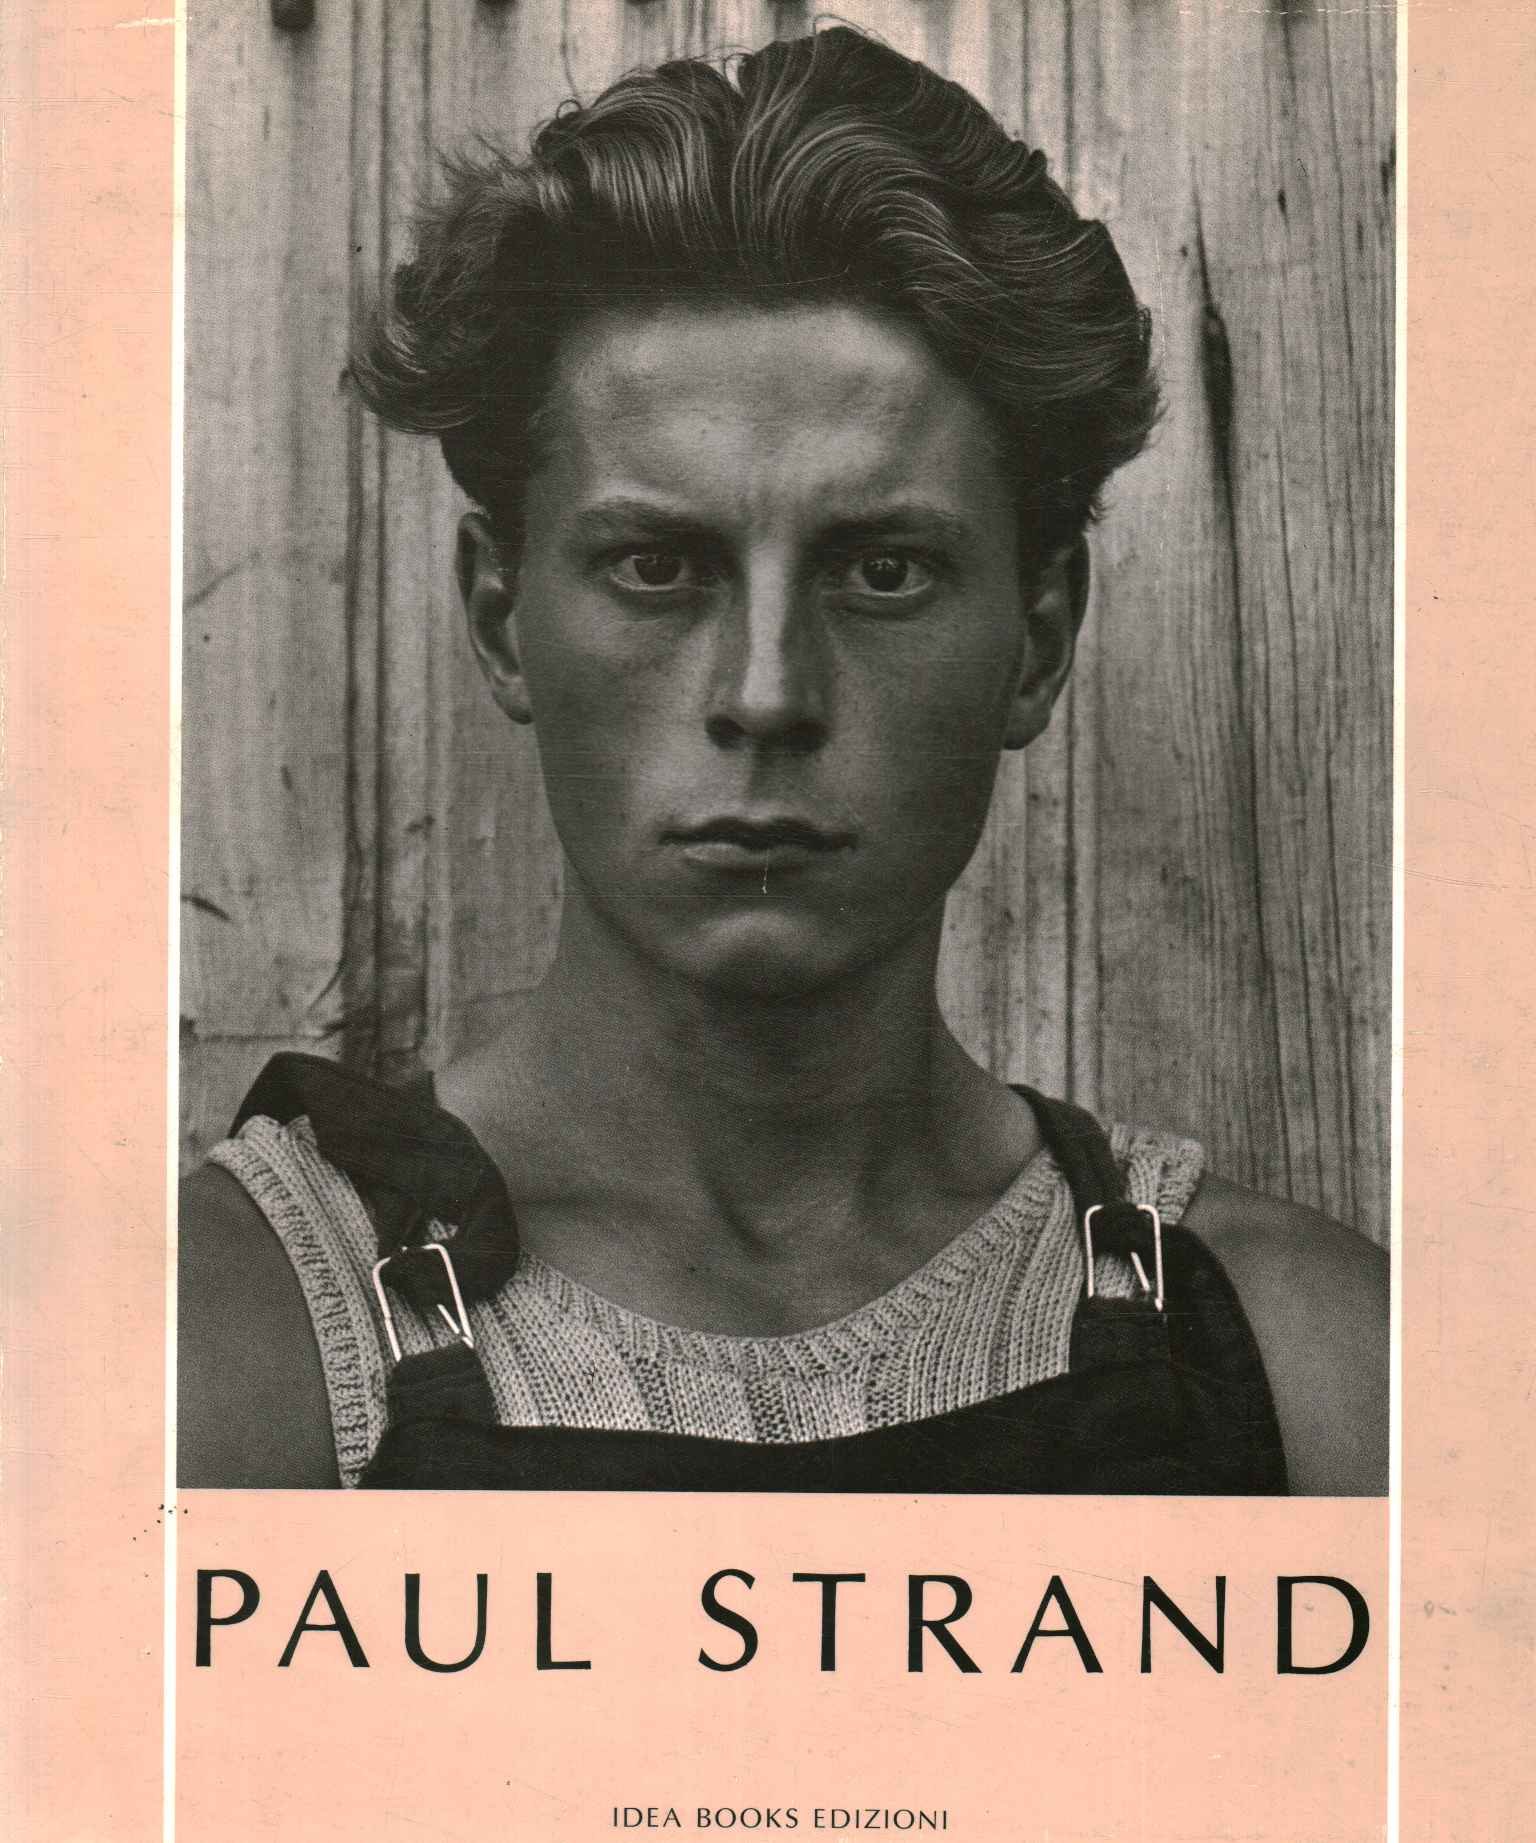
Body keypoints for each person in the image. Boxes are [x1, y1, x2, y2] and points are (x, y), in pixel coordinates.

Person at [178, 26, 1387, 1493]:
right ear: (502, 622)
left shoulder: (1312, 1360)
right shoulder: (218, 1344)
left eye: (882, 571)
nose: (766, 694)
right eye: (656, 565)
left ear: (1039, 638)